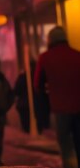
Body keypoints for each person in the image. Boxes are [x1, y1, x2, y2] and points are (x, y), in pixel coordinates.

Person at [34, 26, 80, 168]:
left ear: (50, 40)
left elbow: (37, 84)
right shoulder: (77, 55)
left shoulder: (45, 57)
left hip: (60, 108)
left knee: (66, 145)